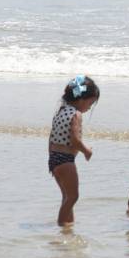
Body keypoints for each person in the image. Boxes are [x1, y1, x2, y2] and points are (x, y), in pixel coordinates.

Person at [48, 75, 100, 226]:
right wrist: (87, 151)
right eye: (90, 103)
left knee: (66, 196)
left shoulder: (60, 111)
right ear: (82, 99)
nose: (89, 107)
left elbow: (51, 138)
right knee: (73, 197)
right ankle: (62, 225)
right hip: (65, 160)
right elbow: (75, 141)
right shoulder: (75, 114)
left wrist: (51, 160)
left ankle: (68, 223)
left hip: (54, 159)